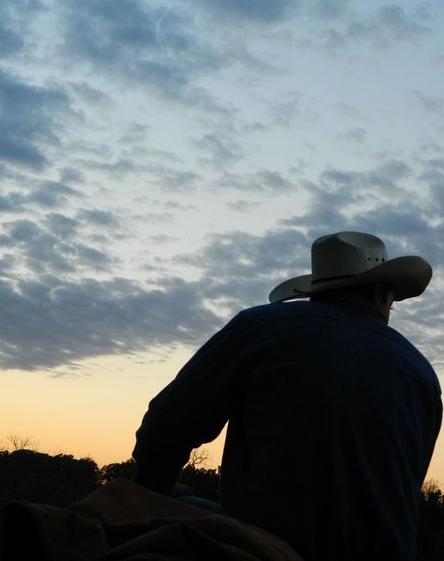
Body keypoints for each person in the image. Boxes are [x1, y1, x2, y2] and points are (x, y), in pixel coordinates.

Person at [133, 231, 442, 561]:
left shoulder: (260, 329)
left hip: (265, 547)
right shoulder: (422, 375)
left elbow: (165, 427)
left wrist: (157, 486)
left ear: (318, 291)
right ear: (382, 293)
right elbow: (406, 486)